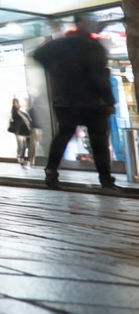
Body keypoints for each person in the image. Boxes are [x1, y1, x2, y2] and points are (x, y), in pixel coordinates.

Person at [34, 16, 118, 190]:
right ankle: (106, 180)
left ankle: (51, 172)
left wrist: (55, 72)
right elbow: (98, 76)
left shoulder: (61, 44)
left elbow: (38, 55)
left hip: (65, 100)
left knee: (63, 136)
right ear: (83, 23)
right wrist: (109, 100)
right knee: (99, 141)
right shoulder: (92, 46)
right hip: (92, 102)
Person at [8, 98, 37, 168]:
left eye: (16, 102)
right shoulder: (15, 111)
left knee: (24, 144)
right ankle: (22, 157)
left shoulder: (19, 111)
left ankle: (23, 158)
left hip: (23, 130)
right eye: (14, 103)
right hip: (20, 130)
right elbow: (23, 118)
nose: (15, 104)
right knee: (22, 144)